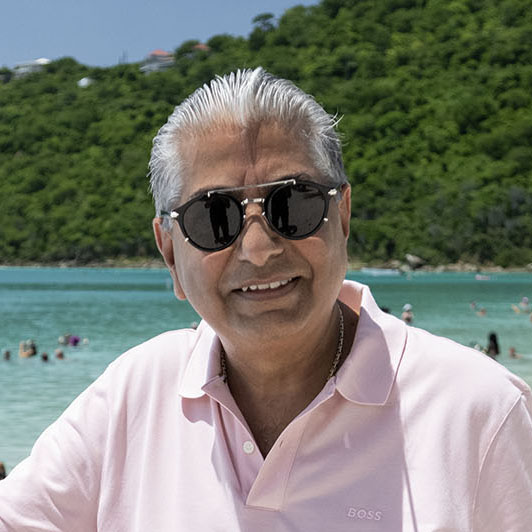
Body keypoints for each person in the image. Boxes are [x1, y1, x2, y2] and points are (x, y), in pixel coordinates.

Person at [1, 68, 531, 531]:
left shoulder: (480, 413)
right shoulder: (133, 397)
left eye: (293, 204)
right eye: (214, 217)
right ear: (170, 253)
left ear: (343, 217)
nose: (258, 249)